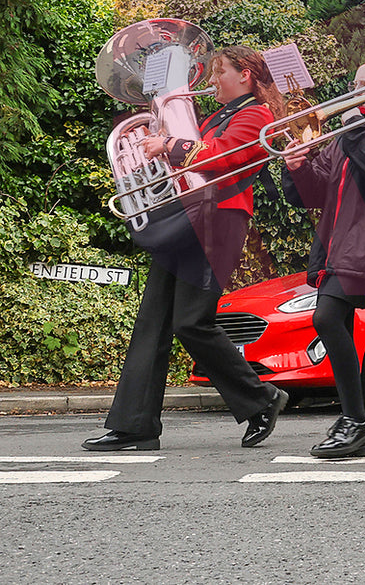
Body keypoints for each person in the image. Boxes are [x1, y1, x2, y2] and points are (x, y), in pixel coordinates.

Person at [84, 46, 289, 452]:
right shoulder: (215, 117)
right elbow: (188, 162)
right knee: (153, 320)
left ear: (245, 75)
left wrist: (169, 145)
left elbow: (224, 156)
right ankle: (135, 426)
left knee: (192, 322)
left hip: (220, 222)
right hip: (189, 214)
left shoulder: (257, 115)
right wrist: (151, 151)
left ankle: (262, 399)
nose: (211, 81)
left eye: (219, 73)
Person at [281, 59, 365, 458]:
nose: (353, 92)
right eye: (353, 85)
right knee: (334, 321)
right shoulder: (348, 135)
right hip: (335, 243)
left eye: (363, 86)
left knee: (325, 318)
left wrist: (354, 123)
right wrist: (297, 167)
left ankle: (356, 421)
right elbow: (314, 192)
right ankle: (353, 422)